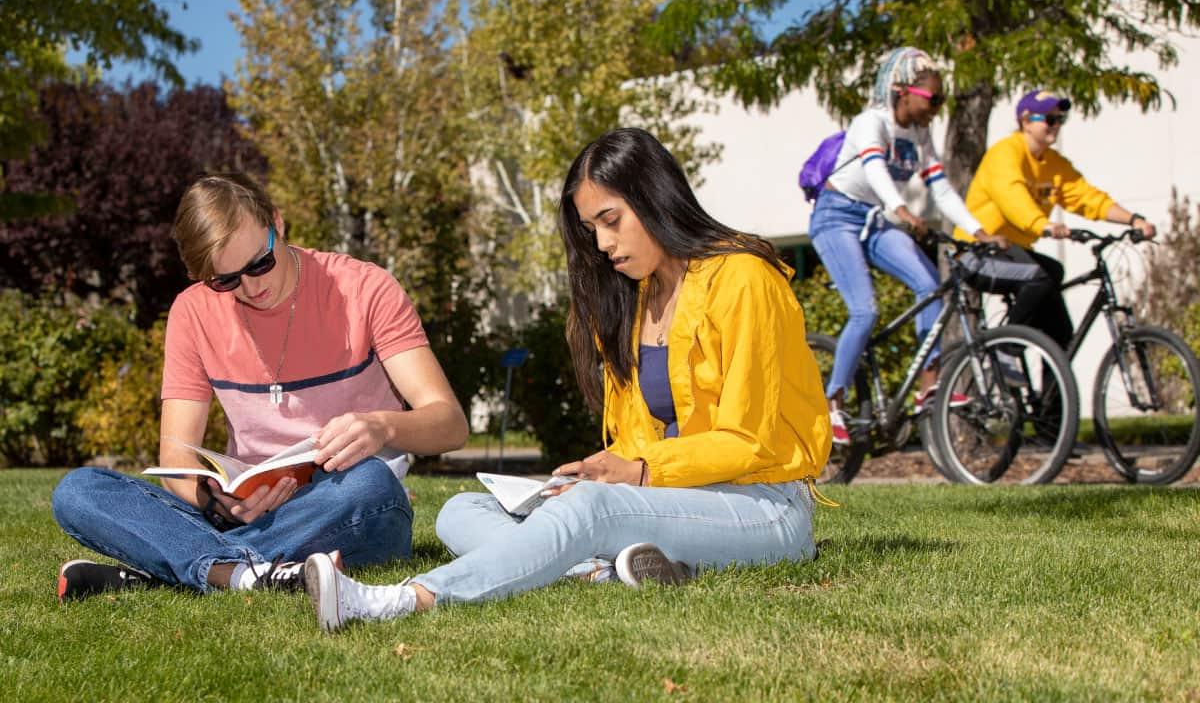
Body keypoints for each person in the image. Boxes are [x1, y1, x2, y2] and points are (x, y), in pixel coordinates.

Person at [301, 127, 832, 632]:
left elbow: (748, 440)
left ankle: (399, 599)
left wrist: (638, 473)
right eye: (590, 229)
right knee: (463, 511)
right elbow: (636, 440)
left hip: (763, 507)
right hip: (674, 500)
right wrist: (596, 474)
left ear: (655, 197)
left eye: (611, 219)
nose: (601, 243)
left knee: (590, 509)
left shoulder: (743, 278)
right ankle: (602, 570)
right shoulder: (634, 300)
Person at [52, 172, 468, 600]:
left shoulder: (365, 289)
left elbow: (450, 424)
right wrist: (215, 503)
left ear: (277, 223)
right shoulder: (192, 313)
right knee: (80, 492)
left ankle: (184, 570)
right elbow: (175, 460)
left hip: (347, 508)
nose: (252, 288)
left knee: (371, 483)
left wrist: (383, 427)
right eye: (226, 281)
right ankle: (252, 573)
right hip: (243, 516)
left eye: (259, 263)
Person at [809, 47, 1007, 445]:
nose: (938, 107)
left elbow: (942, 189)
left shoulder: (919, 135)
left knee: (931, 285)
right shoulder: (871, 122)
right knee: (865, 311)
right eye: (933, 98)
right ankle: (832, 403)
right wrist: (900, 208)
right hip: (836, 217)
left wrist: (978, 231)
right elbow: (874, 169)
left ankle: (929, 386)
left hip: (875, 219)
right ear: (903, 91)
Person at [954, 90, 1157, 349]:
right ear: (1026, 121)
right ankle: (1005, 349)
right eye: (1049, 119)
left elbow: (1087, 197)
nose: (1056, 125)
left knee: (1059, 323)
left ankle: (1055, 385)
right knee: (1039, 277)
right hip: (977, 253)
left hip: (1014, 252)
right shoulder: (1005, 153)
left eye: (1061, 119)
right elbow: (1011, 196)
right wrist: (1044, 226)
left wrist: (1134, 220)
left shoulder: (1054, 164)